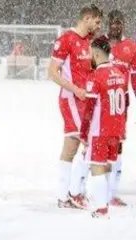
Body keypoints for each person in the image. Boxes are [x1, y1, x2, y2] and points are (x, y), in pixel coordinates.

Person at [48, 4, 103, 209]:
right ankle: (74, 192)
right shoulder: (66, 39)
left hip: (86, 100)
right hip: (71, 99)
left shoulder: (91, 41)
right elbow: (52, 72)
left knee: (72, 147)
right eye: (97, 21)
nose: (99, 26)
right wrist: (75, 89)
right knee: (88, 144)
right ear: (87, 18)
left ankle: (65, 196)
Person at [84, 10, 136, 206]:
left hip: (120, 104)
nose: (115, 26)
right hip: (98, 101)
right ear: (108, 24)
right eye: (112, 23)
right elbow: (89, 71)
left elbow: (135, 79)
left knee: (117, 146)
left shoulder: (131, 47)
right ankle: (85, 190)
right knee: (90, 143)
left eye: (119, 23)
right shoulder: (99, 43)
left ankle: (110, 193)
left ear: (124, 24)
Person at [80, 37, 129, 218]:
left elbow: (89, 109)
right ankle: (105, 201)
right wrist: (122, 131)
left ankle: (102, 208)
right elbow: (125, 104)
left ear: (97, 53)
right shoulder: (120, 74)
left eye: (91, 53)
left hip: (100, 130)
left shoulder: (96, 76)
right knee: (107, 166)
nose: (89, 57)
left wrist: (83, 134)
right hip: (116, 130)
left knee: (97, 168)